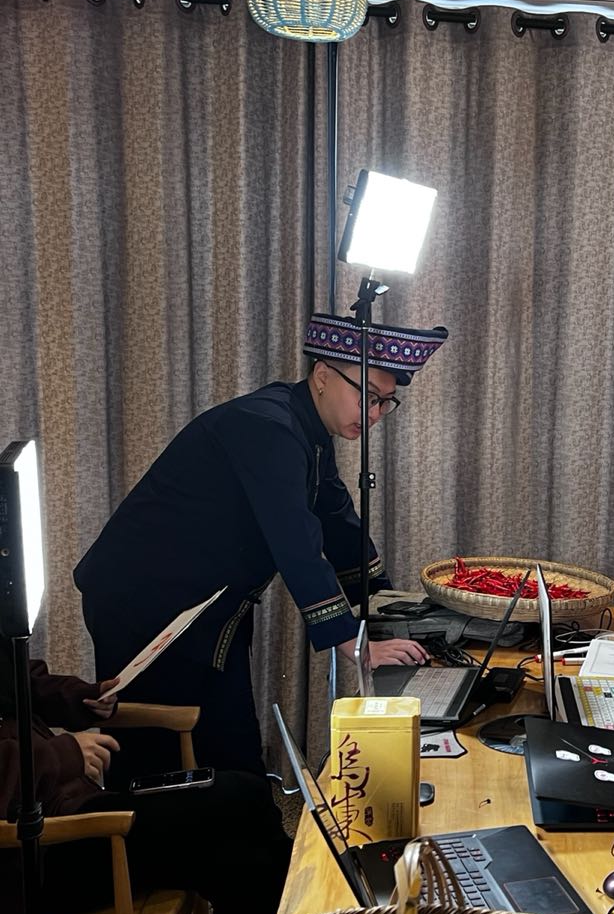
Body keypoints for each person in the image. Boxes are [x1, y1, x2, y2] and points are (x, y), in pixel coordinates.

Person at [74, 314, 447, 783]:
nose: (374, 414)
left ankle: (241, 817)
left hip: (206, 607)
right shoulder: (268, 426)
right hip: (146, 603)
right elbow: (296, 541)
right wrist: (355, 644)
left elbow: (338, 522)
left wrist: (386, 606)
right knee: (161, 754)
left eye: (385, 402)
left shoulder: (307, 431)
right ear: (322, 375)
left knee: (228, 742)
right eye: (367, 396)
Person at [0, 650, 291, 914]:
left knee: (247, 808)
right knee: (234, 822)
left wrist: (83, 697)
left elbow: (20, 681)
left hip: (69, 809)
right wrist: (63, 755)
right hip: (31, 856)